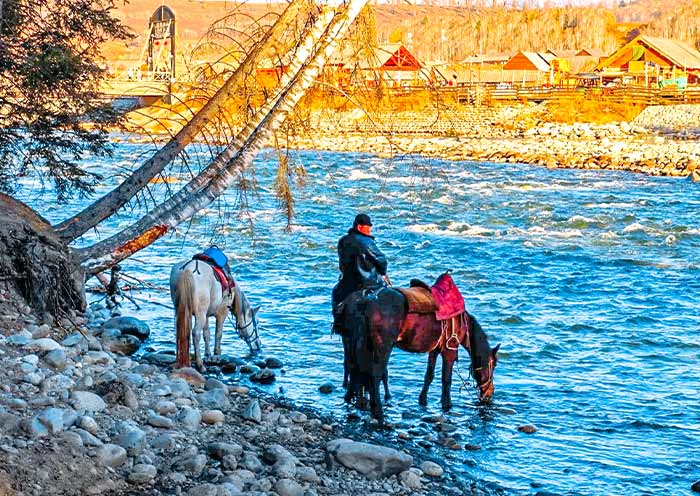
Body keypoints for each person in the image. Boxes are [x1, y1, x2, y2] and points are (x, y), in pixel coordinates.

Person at [331, 213, 391, 332]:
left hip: (347, 283)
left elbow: (342, 264)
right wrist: (383, 273)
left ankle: (338, 323)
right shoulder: (367, 242)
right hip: (369, 284)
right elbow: (381, 260)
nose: (370, 231)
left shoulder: (343, 241)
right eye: (368, 227)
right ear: (359, 227)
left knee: (336, 295)